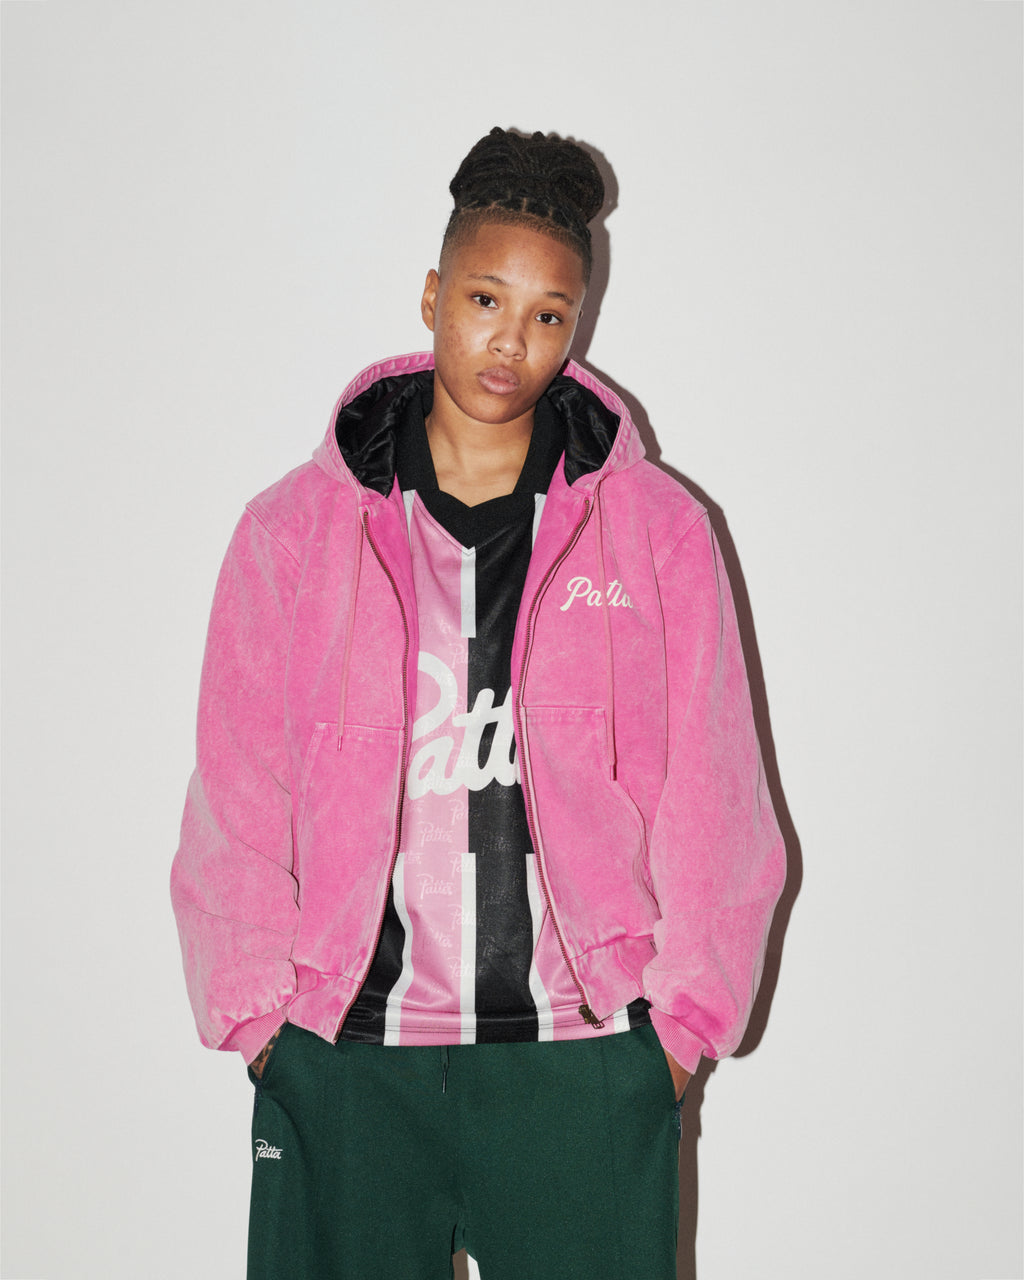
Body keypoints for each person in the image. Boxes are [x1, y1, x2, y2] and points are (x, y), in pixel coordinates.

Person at [171, 126, 785, 1280]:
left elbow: (716, 790)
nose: (512, 339)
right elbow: (240, 786)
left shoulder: (655, 530)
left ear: (578, 326)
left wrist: (676, 1033)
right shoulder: (293, 532)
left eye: (550, 313)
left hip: (581, 1055)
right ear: (432, 295)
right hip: (348, 1054)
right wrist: (261, 1022)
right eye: (485, 299)